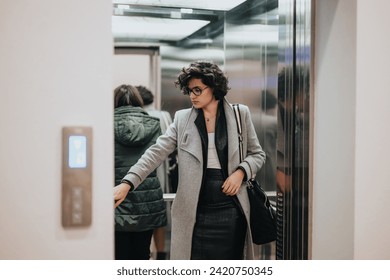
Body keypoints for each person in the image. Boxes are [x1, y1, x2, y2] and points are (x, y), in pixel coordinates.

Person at [114, 61, 266, 260]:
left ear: (214, 88)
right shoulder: (183, 119)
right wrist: (127, 183)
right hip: (194, 208)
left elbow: (257, 154)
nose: (192, 95)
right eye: (189, 90)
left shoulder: (239, 114)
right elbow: (156, 153)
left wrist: (240, 172)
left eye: (197, 90)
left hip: (231, 207)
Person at [113, 84, 167, 260]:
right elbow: (156, 160)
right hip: (147, 200)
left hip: (116, 198)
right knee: (141, 255)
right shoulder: (154, 124)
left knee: (118, 256)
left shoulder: (106, 125)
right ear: (139, 101)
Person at [137, 85, 172, 260]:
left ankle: (145, 253)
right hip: (160, 172)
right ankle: (161, 255)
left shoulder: (136, 117)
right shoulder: (163, 116)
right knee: (160, 215)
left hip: (139, 171)